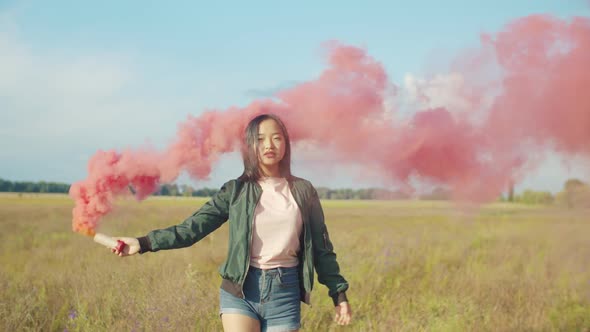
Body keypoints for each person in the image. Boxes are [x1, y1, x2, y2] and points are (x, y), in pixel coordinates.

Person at [112, 113, 352, 332]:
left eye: (277, 138)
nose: (269, 145)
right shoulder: (236, 191)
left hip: (284, 291)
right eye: (260, 139)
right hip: (241, 289)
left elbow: (322, 249)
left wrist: (338, 294)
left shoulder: (303, 191)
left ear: (286, 145)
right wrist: (143, 243)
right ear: (249, 146)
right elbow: (191, 229)